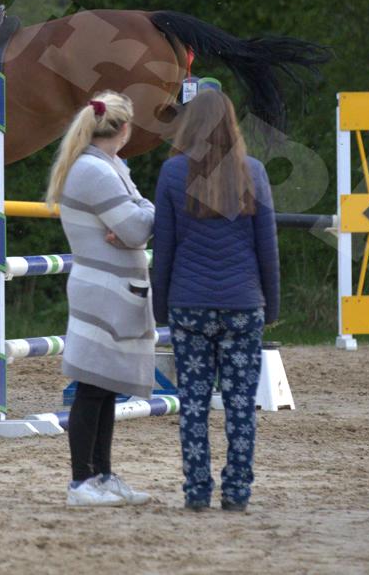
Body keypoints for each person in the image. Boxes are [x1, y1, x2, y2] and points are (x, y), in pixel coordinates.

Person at [150, 85, 279, 513]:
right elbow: (267, 248)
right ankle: (237, 492)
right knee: (241, 405)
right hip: (244, 306)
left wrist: (161, 307)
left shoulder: (172, 173)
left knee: (193, 403)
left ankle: (197, 491)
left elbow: (164, 248)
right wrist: (271, 305)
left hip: (189, 305)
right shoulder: (253, 172)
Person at [44, 91, 156, 508]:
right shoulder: (97, 171)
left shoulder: (109, 165)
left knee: (105, 388)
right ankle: (81, 482)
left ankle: (102, 475)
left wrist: (138, 216)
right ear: (124, 129)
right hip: (104, 289)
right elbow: (137, 227)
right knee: (93, 387)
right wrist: (141, 215)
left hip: (112, 287)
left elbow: (136, 219)